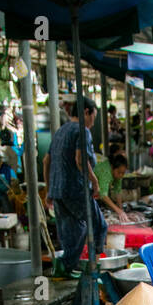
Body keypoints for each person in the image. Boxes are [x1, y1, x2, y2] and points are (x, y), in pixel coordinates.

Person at [45, 97, 106, 280]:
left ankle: (63, 268)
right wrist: (95, 182)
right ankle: (93, 268)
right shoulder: (82, 131)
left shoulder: (60, 131)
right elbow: (80, 160)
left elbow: (46, 161)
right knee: (98, 226)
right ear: (86, 112)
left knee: (71, 232)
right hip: (75, 189)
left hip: (58, 190)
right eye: (93, 116)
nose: (93, 122)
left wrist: (50, 189)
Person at [94, 152, 130, 222]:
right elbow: (103, 195)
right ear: (113, 167)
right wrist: (118, 211)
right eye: (119, 172)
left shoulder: (118, 174)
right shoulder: (105, 171)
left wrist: (121, 209)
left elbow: (118, 191)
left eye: (123, 173)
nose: (121, 175)